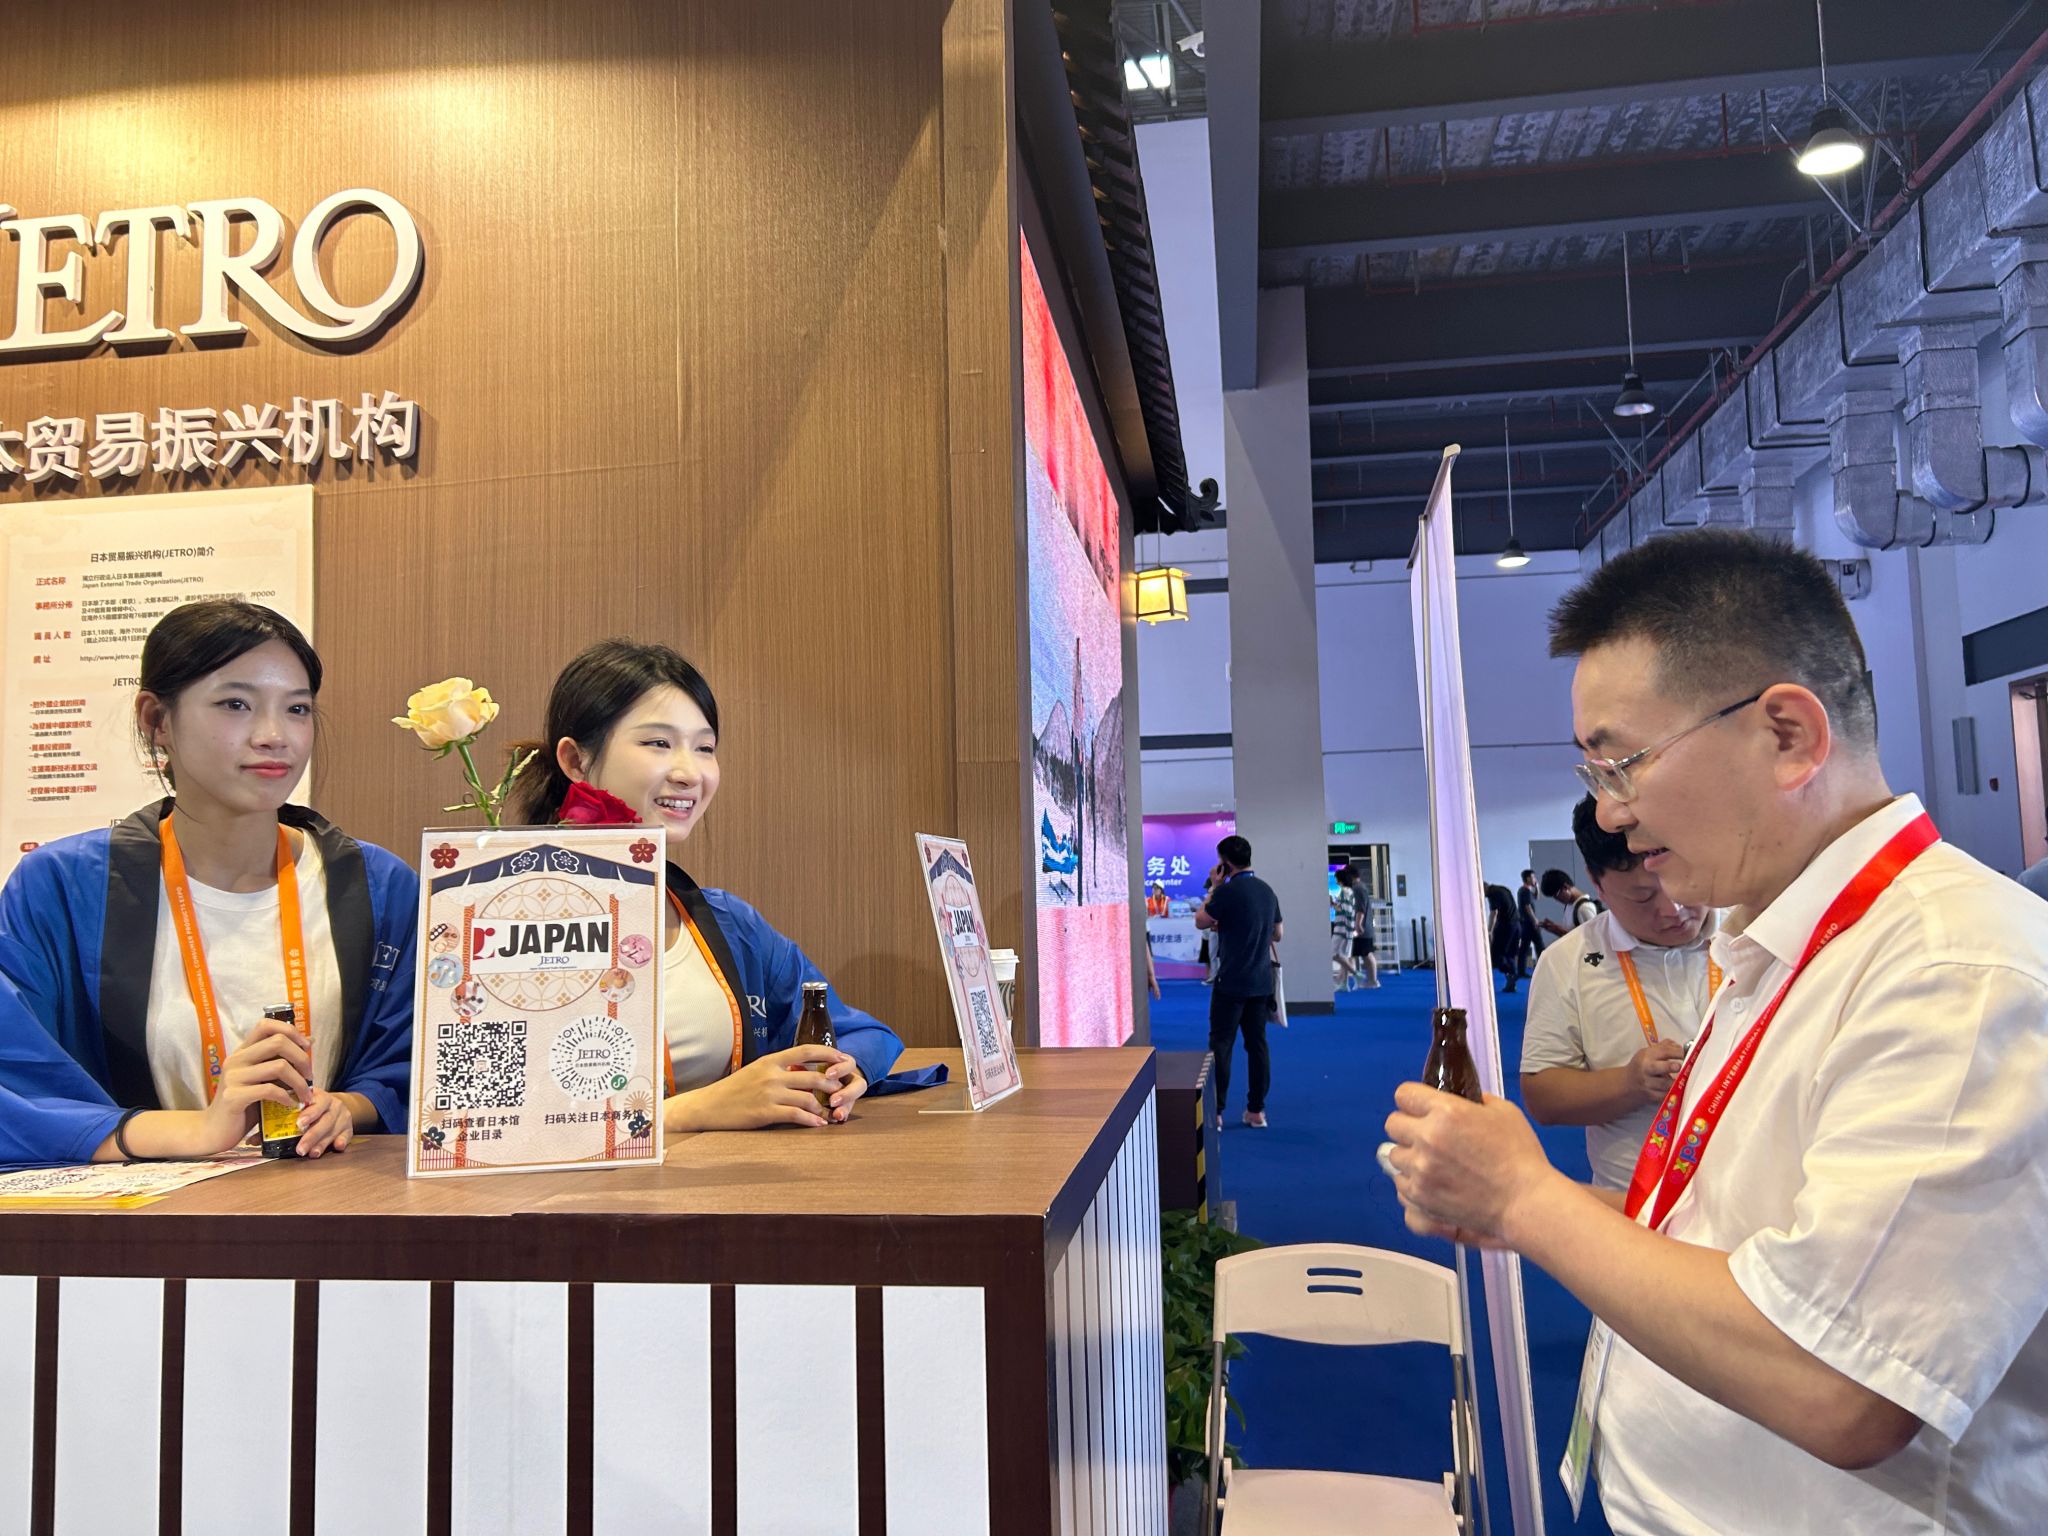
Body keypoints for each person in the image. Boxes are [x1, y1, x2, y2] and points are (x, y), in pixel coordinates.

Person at [1383, 530, 2048, 1533]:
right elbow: (1734, 1233)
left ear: (1787, 736)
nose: (1610, 814)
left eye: (1622, 765)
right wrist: (1515, 1203)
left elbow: (1842, 1384)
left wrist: (1526, 1200)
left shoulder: (1955, 971)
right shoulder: (1781, 942)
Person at [0, 600, 417, 1167]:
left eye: (297, 709)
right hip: (138, 1216)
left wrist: (347, 1105)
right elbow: (15, 1084)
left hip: (335, 1204)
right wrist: (196, 1130)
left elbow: (418, 1062)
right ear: (157, 720)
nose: (274, 735)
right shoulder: (61, 888)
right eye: (235, 704)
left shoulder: (377, 885)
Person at [512, 640, 938, 1131]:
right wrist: (697, 1110)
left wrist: (847, 1071)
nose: (689, 773)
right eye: (658, 743)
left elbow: (861, 1032)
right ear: (575, 760)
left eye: (705, 748)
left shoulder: (727, 923)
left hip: (731, 1179)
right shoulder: (502, 924)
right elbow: (490, 1123)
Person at [1520, 794, 1716, 1190]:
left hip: (1767, 1201)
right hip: (1634, 1200)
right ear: (1597, 884)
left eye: (1684, 881)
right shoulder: (1569, 961)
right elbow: (1543, 1096)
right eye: (1643, 897)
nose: (1674, 909)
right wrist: (1631, 1084)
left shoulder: (1754, 929)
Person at [1193, 835, 1281, 1129]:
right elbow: (1278, 933)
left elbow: (1201, 920)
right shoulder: (1267, 891)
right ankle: (1256, 1111)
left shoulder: (1226, 892)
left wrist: (1214, 888)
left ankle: (1217, 1112)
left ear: (1225, 863)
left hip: (1230, 982)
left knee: (1221, 1045)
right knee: (1257, 1045)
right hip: (1261, 982)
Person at [1484, 882, 1521, 993]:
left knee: (1497, 954)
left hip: (1506, 926)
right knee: (1511, 954)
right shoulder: (1504, 889)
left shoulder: (1492, 893)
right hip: (1517, 924)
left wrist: (1489, 931)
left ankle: (1512, 973)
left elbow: (1494, 913)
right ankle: (1511, 982)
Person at [1539, 867, 1599, 936]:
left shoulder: (1584, 908)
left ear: (1565, 887)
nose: (1556, 899)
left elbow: (1593, 939)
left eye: (1556, 895)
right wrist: (1555, 929)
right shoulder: (1569, 905)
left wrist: (1560, 932)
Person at [1348, 863, 1380, 988]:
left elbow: (1360, 909)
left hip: (1362, 929)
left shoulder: (1358, 889)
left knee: (1366, 954)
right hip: (1364, 928)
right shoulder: (1360, 887)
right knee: (1360, 954)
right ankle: (1366, 980)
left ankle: (1373, 980)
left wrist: (1358, 925)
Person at [1331, 865, 1361, 990]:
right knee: (1344, 955)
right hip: (1348, 929)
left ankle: (1355, 973)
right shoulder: (1350, 892)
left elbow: (1344, 910)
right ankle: (1344, 984)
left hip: (1342, 929)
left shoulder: (1344, 892)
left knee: (1334, 954)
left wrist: (1332, 904)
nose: (1336, 881)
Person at [1516, 868, 1542, 975]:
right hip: (1529, 923)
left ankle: (1521, 971)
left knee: (1524, 947)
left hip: (1525, 923)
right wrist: (1535, 920)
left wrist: (1537, 887)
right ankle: (1542, 969)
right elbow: (1528, 907)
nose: (1535, 879)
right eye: (1533, 877)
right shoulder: (1525, 891)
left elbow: (1537, 897)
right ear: (1527, 879)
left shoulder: (1524, 890)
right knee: (1539, 945)